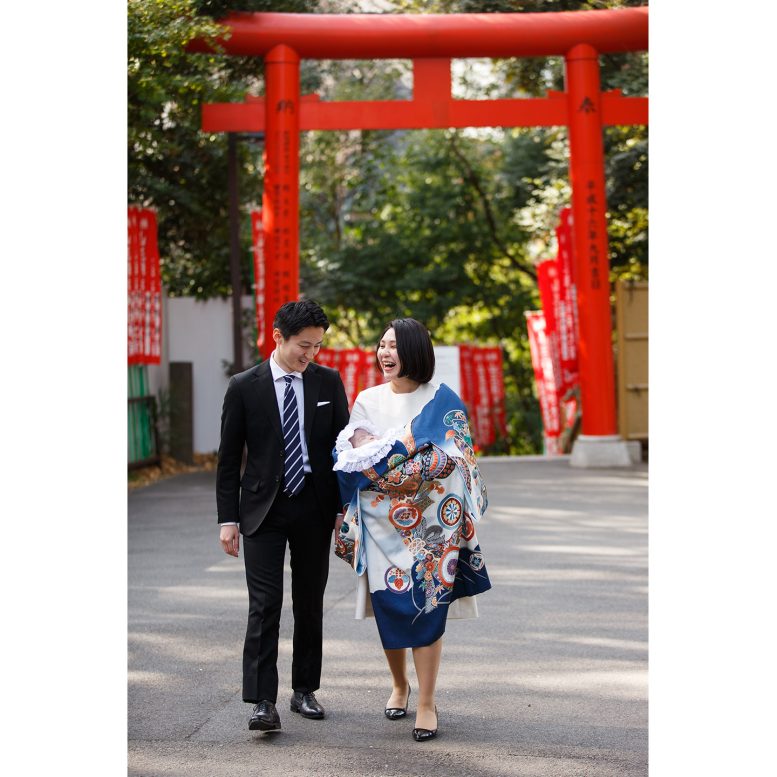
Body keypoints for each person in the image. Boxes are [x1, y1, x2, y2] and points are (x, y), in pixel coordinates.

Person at [332, 318, 491, 742]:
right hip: (382, 522)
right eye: (382, 345)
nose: (385, 353)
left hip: (434, 525)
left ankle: (426, 701)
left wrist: (403, 468)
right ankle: (399, 685)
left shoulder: (442, 398)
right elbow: (355, 456)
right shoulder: (366, 399)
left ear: (415, 352)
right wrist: (394, 469)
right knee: (389, 606)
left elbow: (456, 455)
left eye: (394, 346)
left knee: (428, 606)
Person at [217, 299, 350, 733]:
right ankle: (262, 701)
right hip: (261, 510)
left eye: (316, 346)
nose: (309, 354)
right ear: (277, 336)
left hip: (313, 505)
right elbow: (227, 460)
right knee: (265, 604)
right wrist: (227, 519)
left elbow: (341, 452)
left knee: (309, 603)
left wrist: (341, 508)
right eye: (302, 345)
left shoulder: (328, 383)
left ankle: (305, 690)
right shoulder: (244, 386)